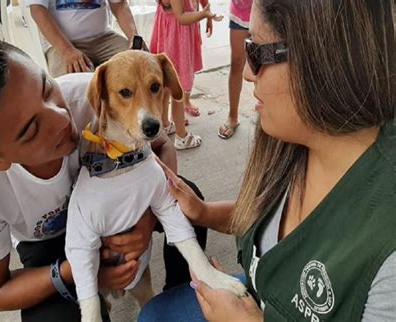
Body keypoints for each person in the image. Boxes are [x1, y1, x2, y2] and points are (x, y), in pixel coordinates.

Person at [0, 31, 206, 321]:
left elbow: (162, 145)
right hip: (49, 244)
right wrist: (81, 269)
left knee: (188, 201)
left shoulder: (97, 96)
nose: (61, 118)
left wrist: (147, 218)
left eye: (46, 89)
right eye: (31, 130)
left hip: (117, 206)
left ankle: (180, 298)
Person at [139, 0, 396, 321]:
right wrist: (203, 213)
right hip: (263, 295)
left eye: (258, 52)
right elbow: (273, 220)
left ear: (326, 60)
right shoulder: (294, 140)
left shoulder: (388, 247)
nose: (247, 72)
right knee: (154, 314)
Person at [150, 0, 222, 150]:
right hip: (175, 39)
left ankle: (165, 124)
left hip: (171, 34)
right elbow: (181, 17)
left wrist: (207, 14)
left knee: (167, 86)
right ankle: (182, 137)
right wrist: (203, 14)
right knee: (177, 89)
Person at [25, 0, 145, 77]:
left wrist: (133, 36)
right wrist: (67, 50)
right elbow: (37, 10)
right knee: (79, 85)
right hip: (63, 45)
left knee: (139, 65)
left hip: (104, 38)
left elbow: (118, 4)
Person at [217, 0, 251, 139]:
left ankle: (270, 116)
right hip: (241, 11)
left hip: (269, 11)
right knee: (236, 63)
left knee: (267, 64)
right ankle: (233, 115)